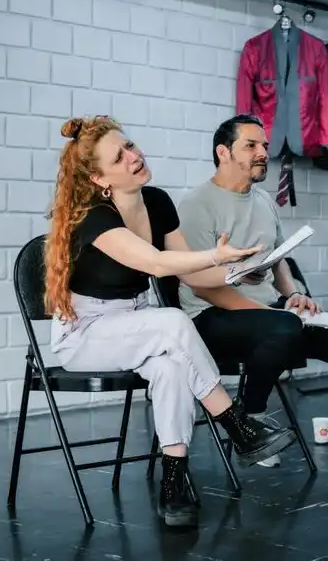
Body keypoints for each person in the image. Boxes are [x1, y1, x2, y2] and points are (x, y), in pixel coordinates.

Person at [43, 115, 298, 528]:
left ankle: (173, 484)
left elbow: (192, 276)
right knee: (174, 323)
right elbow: (157, 263)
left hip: (137, 322)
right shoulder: (95, 216)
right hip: (86, 335)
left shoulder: (157, 202)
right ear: (98, 177)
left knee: (172, 366)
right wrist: (217, 255)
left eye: (130, 145)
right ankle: (237, 426)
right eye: (119, 155)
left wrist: (236, 269)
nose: (133, 155)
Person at [175, 114, 328, 490]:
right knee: (283, 326)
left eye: (264, 145)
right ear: (223, 152)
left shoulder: (264, 200)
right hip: (211, 316)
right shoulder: (196, 203)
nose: (263, 152)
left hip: (272, 320)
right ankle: (249, 418)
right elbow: (199, 283)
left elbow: (277, 258)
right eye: (251, 146)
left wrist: (293, 292)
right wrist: (269, 312)